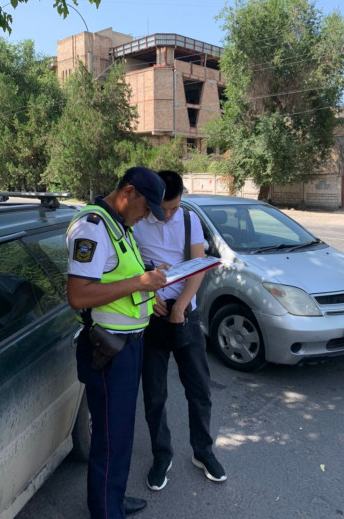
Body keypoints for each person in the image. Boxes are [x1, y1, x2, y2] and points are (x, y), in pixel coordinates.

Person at [66, 167, 168, 519]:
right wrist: (140, 283)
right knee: (111, 438)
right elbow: (79, 295)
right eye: (145, 208)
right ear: (128, 192)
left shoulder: (119, 225)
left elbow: (118, 278)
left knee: (121, 433)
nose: (146, 216)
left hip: (128, 346)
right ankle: (106, 511)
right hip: (108, 350)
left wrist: (148, 286)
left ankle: (113, 499)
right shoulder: (92, 228)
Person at [133, 170, 226, 491]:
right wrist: (150, 297)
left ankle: (203, 451)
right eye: (164, 209)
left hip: (185, 314)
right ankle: (162, 454)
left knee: (199, 389)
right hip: (151, 316)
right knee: (154, 394)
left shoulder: (188, 220)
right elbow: (131, 266)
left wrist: (180, 306)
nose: (170, 214)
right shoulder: (138, 221)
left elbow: (198, 266)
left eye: (175, 207)